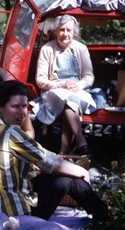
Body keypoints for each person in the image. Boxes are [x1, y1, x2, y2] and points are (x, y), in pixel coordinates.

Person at [0, 80, 108, 222]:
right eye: (15, 106)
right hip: (17, 214)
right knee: (67, 180)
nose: (22, 113)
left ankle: (101, 213)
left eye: (24, 106)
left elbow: (39, 159)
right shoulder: (12, 134)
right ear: (0, 108)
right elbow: (49, 161)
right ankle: (104, 216)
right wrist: (82, 172)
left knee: (57, 175)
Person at [34, 14, 96, 156]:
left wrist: (78, 85)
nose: (65, 34)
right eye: (61, 30)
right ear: (55, 31)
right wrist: (60, 85)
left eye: (69, 30)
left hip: (76, 89)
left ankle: (63, 153)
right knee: (68, 99)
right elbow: (40, 79)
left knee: (71, 100)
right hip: (54, 90)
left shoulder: (81, 48)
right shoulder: (47, 49)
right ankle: (81, 141)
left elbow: (89, 76)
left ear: (74, 32)